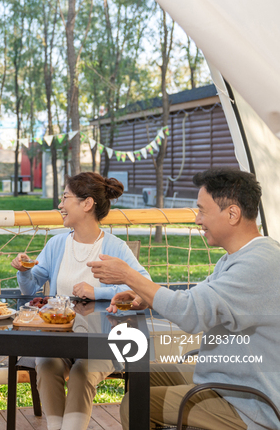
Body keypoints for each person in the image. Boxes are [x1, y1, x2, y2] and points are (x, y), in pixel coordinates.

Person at [92, 168, 280, 430]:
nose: (197, 220)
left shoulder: (259, 264)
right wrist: (145, 295)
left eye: (202, 210)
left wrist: (128, 275)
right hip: (222, 378)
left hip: (247, 403)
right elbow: (194, 299)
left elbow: (190, 314)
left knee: (135, 403)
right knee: (141, 376)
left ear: (233, 214)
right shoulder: (237, 258)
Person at [10, 172, 151, 430]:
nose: (60, 205)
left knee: (82, 371)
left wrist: (96, 291)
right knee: (46, 363)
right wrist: (24, 271)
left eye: (65, 198)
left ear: (87, 204)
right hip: (62, 339)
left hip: (105, 340)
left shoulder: (116, 247)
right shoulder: (56, 245)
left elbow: (143, 287)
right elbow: (30, 290)